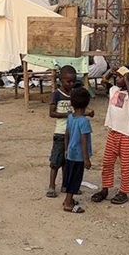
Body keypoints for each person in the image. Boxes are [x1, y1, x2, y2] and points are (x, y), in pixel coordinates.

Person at [92, 65, 129, 205]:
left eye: (120, 77)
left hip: (125, 134)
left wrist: (127, 80)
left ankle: (123, 192)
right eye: (117, 76)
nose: (117, 79)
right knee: (107, 162)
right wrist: (109, 72)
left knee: (125, 165)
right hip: (113, 132)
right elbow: (103, 82)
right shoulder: (113, 90)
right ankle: (105, 189)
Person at [46, 66, 94, 198]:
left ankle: (66, 185)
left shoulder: (74, 94)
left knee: (68, 162)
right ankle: (51, 185)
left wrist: (87, 113)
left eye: (73, 81)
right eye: (68, 81)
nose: (71, 84)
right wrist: (68, 115)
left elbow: (79, 110)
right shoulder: (56, 94)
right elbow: (52, 113)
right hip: (60, 132)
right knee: (56, 161)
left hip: (73, 133)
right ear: (61, 80)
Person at [62, 87, 93, 214]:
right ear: (86, 104)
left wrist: (66, 149)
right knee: (76, 179)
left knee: (70, 177)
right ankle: (68, 203)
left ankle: (67, 199)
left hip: (70, 153)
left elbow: (66, 134)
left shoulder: (70, 117)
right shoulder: (84, 122)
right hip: (79, 156)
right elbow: (83, 140)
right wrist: (86, 158)